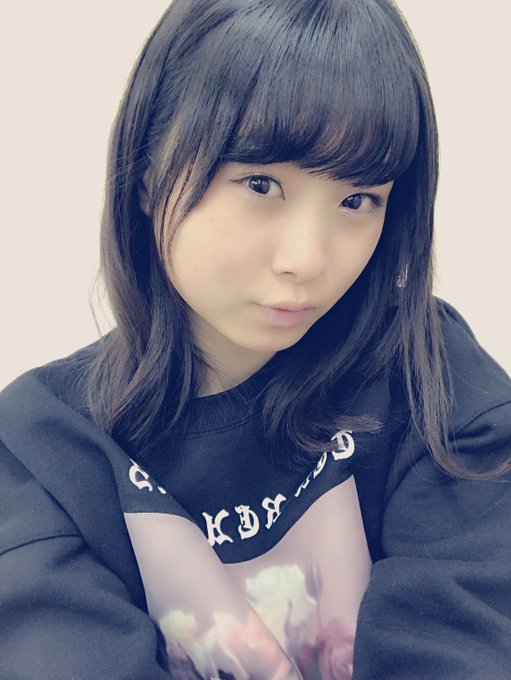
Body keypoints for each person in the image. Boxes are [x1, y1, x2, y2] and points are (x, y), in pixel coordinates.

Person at [1, 0, 510, 678]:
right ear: (149, 175)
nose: (307, 259)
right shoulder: (41, 450)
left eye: (357, 200)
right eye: (261, 184)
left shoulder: (427, 372)